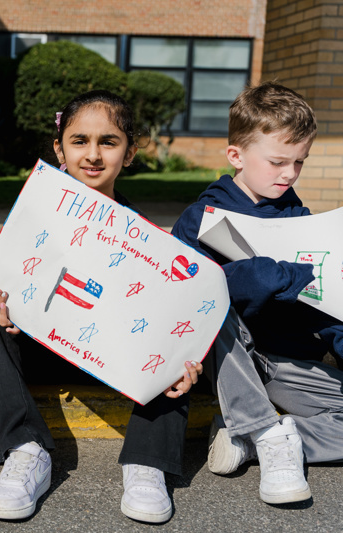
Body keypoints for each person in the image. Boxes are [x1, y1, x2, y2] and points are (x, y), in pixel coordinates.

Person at [0, 90, 202, 523]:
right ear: (59, 148)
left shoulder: (150, 242)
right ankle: (26, 451)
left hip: (114, 359)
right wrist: (5, 306)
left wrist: (186, 353)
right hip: (44, 348)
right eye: (80, 141)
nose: (93, 154)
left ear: (131, 151)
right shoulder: (31, 216)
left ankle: (147, 462)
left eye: (109, 142)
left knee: (180, 328)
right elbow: (6, 282)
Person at [171, 81, 343, 505]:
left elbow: (326, 308)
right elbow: (184, 303)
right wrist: (272, 277)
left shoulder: (303, 223)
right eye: (278, 161)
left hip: (290, 364)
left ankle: (248, 440)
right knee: (212, 299)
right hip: (235, 360)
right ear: (236, 155)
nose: (290, 173)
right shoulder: (201, 219)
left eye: (299, 162)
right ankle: (263, 429)